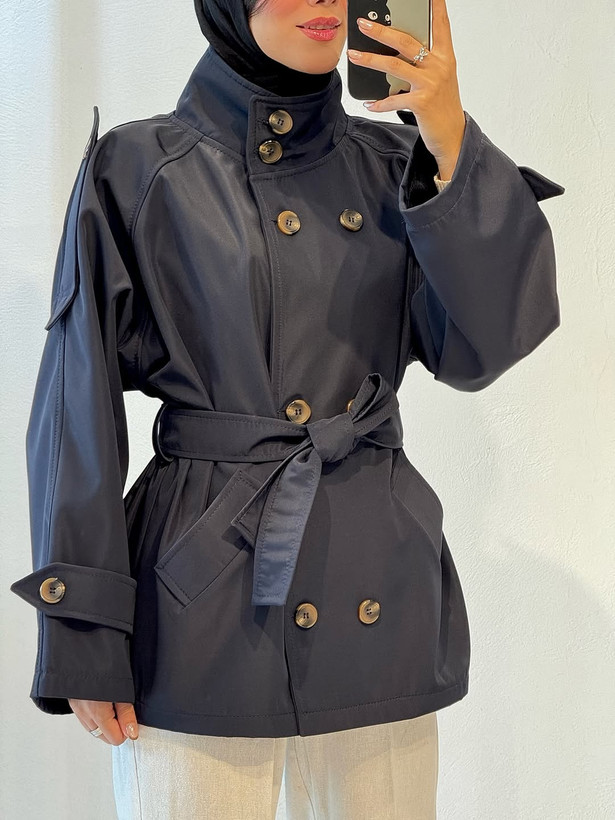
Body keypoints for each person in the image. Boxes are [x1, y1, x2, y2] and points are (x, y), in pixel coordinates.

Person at [10, 0, 565, 816]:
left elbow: (485, 345)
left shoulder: (397, 165)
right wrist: (84, 631)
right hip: (200, 604)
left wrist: (446, 132)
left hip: (374, 587)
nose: (324, 3)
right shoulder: (139, 168)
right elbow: (74, 406)